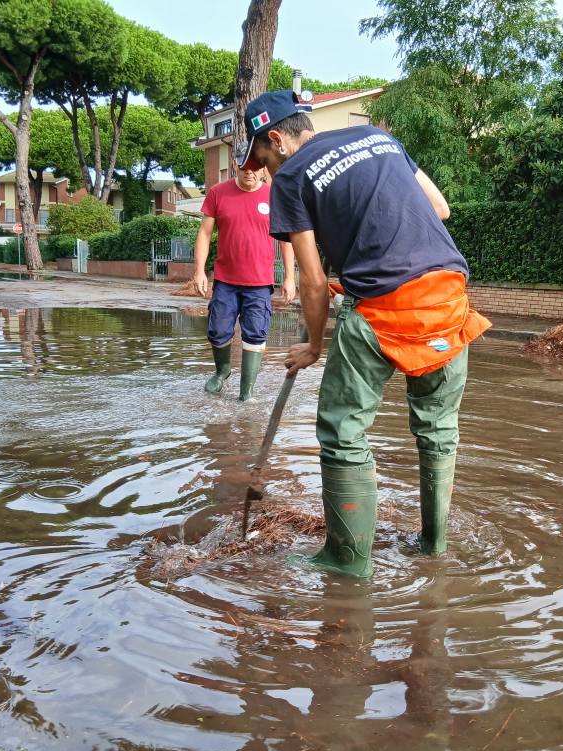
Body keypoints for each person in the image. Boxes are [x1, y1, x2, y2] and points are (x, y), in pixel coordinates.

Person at [238, 90, 491, 577]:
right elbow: (439, 208)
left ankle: (347, 561)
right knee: (438, 430)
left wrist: (314, 346)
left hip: (381, 309)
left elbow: (313, 281)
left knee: (342, 431)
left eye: (263, 159)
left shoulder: (290, 177)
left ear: (278, 140)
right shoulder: (378, 137)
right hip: (447, 301)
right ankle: (433, 546)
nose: (264, 171)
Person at [191, 164, 296, 400]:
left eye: (255, 167)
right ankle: (222, 371)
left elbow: (285, 240)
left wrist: (290, 277)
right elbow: (204, 233)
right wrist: (199, 271)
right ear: (235, 167)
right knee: (218, 330)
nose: (249, 172)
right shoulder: (218, 193)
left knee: (256, 333)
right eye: (244, 167)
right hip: (225, 280)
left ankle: (246, 392)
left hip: (260, 282)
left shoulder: (274, 196)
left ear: (263, 169)